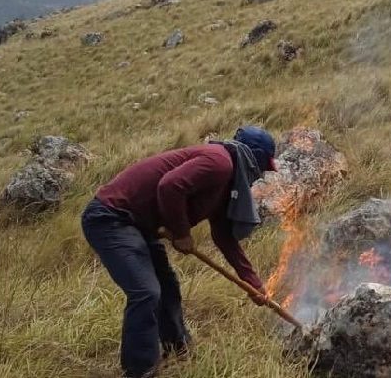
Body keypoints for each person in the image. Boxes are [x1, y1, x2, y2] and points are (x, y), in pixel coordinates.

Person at [81, 126, 278, 378]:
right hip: (111, 218)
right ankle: (140, 370)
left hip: (140, 226)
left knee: (168, 287)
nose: (260, 174)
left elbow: (224, 236)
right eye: (262, 167)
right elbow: (170, 187)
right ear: (255, 157)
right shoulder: (220, 162)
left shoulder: (226, 180)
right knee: (146, 292)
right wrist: (182, 232)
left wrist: (253, 282)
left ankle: (178, 350)